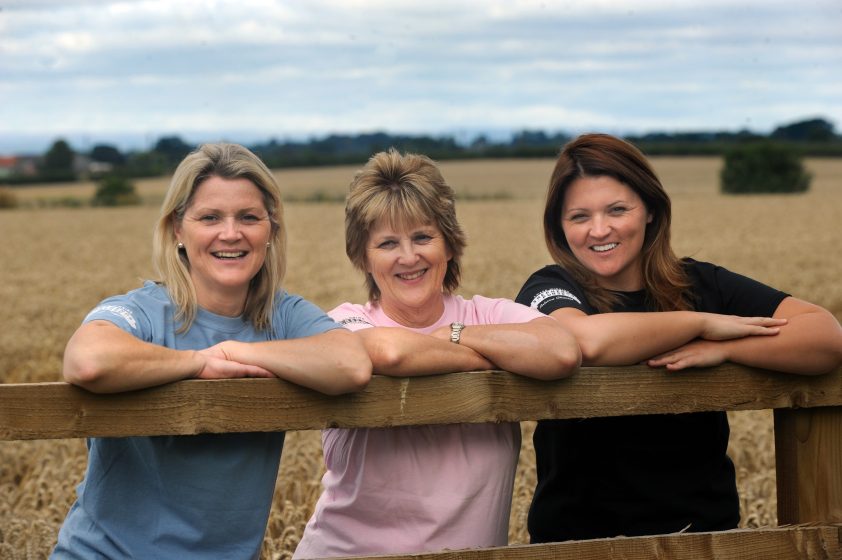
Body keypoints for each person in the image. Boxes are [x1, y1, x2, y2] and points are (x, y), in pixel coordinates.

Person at [516, 133, 842, 543]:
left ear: (650, 209)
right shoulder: (550, 286)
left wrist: (725, 349)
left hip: (706, 540)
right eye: (579, 217)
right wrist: (700, 324)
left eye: (617, 210)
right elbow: (584, 341)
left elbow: (825, 337)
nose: (599, 230)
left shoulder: (699, 282)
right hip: (578, 543)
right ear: (559, 226)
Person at [51, 143, 372, 559]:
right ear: (177, 230)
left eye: (249, 218)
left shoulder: (283, 314)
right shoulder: (145, 311)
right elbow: (88, 360)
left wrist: (239, 351)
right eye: (210, 218)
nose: (231, 233)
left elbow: (350, 363)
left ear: (270, 231)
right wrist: (198, 363)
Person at [293, 149, 581, 558]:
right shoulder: (346, 320)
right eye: (388, 243)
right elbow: (390, 352)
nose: (408, 257)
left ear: (449, 244)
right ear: (363, 257)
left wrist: (457, 334)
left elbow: (562, 349)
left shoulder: (485, 313)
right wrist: (492, 355)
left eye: (423, 237)